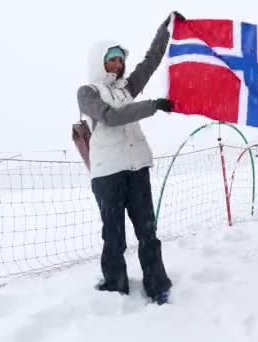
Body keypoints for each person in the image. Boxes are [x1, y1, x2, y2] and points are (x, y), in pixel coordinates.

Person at [76, 11, 184, 305]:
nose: (118, 64)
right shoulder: (87, 92)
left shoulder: (126, 88)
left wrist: (165, 31)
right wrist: (152, 106)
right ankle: (115, 288)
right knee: (114, 237)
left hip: (137, 168)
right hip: (108, 173)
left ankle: (158, 285)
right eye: (111, 58)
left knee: (148, 231)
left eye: (120, 58)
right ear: (99, 60)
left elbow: (149, 64)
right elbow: (110, 118)